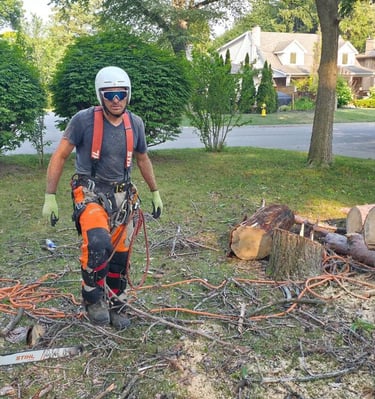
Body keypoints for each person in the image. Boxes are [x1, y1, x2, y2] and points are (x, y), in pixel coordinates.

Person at [42, 66, 163, 329]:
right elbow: (60, 155)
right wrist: (49, 196)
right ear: (100, 96)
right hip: (90, 192)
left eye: (121, 93)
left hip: (123, 197)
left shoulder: (136, 123)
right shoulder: (83, 121)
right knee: (98, 243)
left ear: (128, 94)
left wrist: (155, 191)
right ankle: (92, 296)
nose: (116, 100)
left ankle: (116, 299)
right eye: (110, 95)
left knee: (121, 254)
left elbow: (142, 158)